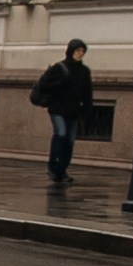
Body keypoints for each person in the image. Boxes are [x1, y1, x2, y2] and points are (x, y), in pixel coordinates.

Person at [32, 38, 94, 185]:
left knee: (69, 141)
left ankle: (62, 169)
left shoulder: (84, 71)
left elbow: (87, 92)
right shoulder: (59, 68)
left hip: (73, 110)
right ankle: (53, 167)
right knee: (60, 134)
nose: (80, 53)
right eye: (78, 50)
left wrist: (88, 109)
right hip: (58, 109)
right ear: (70, 51)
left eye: (82, 51)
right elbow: (44, 85)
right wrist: (59, 84)